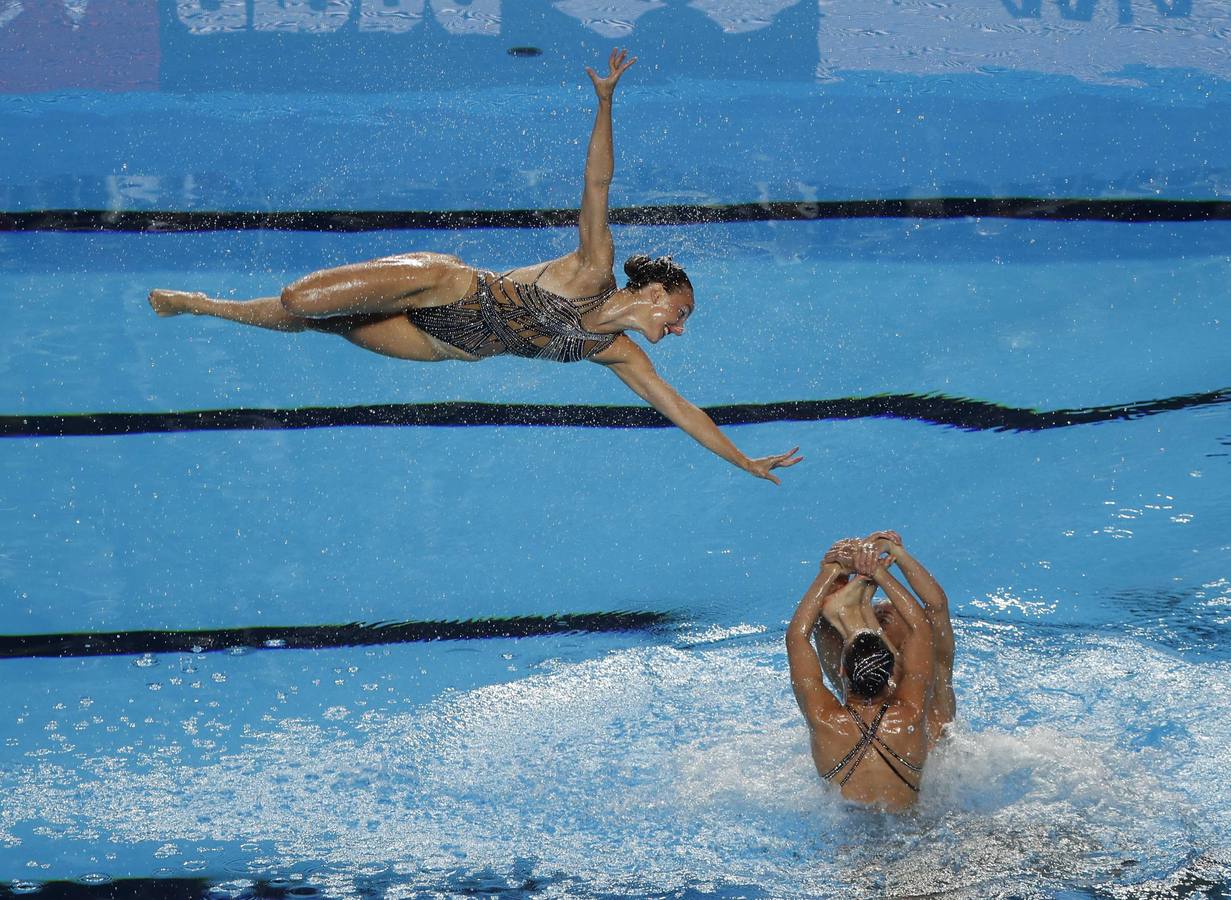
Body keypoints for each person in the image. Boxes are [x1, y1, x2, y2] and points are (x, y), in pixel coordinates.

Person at [148, 49, 802, 485]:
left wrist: (742, 460)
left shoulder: (617, 352)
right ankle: (209, 300)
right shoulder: (593, 269)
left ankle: (200, 305)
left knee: (328, 326)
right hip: (441, 284)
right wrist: (605, 102)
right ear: (654, 291)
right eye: (680, 314)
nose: (680, 329)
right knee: (298, 301)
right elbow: (597, 184)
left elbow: (681, 411)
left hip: (440, 344)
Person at [786, 532, 955, 809]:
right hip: (911, 828)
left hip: (846, 836)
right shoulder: (915, 710)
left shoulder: (825, 719)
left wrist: (831, 571)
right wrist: (882, 567)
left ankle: (852, 607)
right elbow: (925, 623)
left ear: (842, 669)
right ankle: (853, 607)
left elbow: (798, 636)